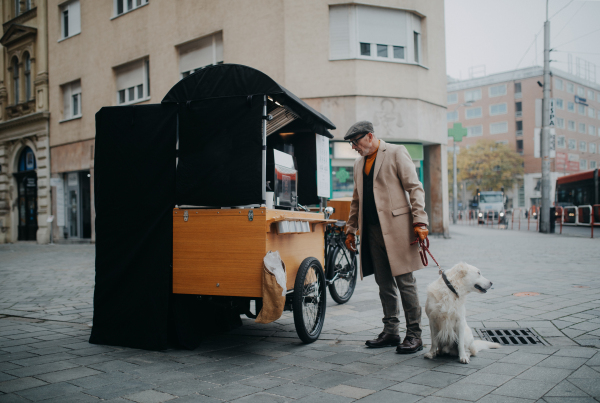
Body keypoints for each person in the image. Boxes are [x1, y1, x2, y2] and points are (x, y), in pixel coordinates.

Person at [344, 121, 429, 354]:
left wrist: (420, 221)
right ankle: (391, 331)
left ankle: (415, 335)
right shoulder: (358, 163)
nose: (354, 147)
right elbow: (356, 200)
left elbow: (415, 187)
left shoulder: (395, 152)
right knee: (384, 284)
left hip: (398, 229)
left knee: (405, 283)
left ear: (369, 136)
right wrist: (351, 228)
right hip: (371, 231)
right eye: (352, 143)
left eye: (355, 142)